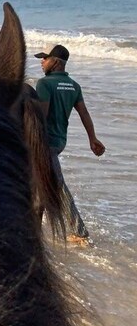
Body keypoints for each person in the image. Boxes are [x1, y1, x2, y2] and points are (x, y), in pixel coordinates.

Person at [35, 44, 105, 244]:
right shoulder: (74, 86)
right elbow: (84, 113)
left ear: (55, 62)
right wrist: (92, 138)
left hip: (44, 143)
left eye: (45, 58)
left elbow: (41, 116)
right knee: (40, 183)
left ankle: (80, 232)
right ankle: (35, 229)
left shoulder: (44, 84)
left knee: (57, 185)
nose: (42, 62)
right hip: (60, 141)